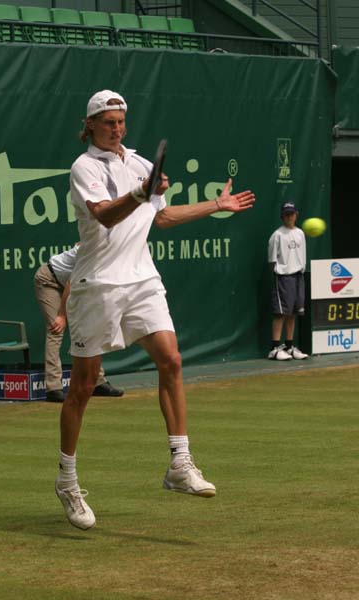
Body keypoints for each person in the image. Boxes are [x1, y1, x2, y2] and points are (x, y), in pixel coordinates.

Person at [54, 89, 256, 530]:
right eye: (108, 122)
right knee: (83, 387)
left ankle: (179, 463)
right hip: (97, 285)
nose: (116, 128)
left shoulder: (142, 163)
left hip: (142, 280)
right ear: (90, 125)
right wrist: (141, 192)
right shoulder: (83, 167)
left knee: (172, 359)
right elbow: (106, 216)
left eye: (120, 121)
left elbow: (161, 218)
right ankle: (67, 481)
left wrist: (215, 206)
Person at [34, 244, 124, 402]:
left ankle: (98, 382)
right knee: (56, 329)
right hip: (48, 280)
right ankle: (53, 388)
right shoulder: (91, 253)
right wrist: (62, 315)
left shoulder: (111, 255)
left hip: (73, 284)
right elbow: (71, 283)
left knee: (89, 329)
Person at [267, 201, 309, 361]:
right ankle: (274, 349)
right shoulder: (277, 235)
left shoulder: (300, 233)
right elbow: (272, 261)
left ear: (296, 215)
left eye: (291, 214)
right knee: (281, 313)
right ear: (282, 217)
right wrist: (280, 275)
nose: (289, 217)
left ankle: (289, 347)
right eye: (286, 214)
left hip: (298, 276)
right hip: (283, 278)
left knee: (293, 313)